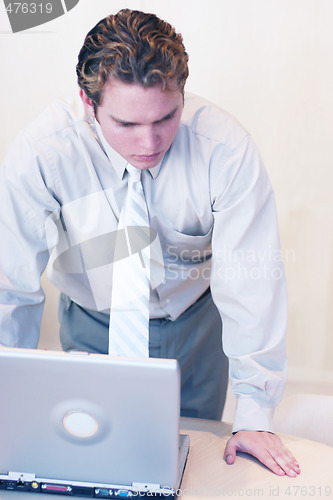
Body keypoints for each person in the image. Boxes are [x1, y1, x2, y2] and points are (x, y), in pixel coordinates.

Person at [0, 9, 300, 477]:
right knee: (87, 465)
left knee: (187, 468)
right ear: (88, 101)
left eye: (166, 117)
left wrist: (255, 415)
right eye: (126, 124)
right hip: (91, 322)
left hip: (196, 328)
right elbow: (10, 286)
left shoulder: (224, 149)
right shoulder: (43, 151)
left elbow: (251, 280)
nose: (149, 142)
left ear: (182, 92)